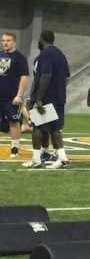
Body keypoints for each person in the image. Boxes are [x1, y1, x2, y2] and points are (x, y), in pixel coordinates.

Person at [22, 31, 70, 169]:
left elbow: (45, 76)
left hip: (46, 98)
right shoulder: (61, 55)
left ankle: (37, 159)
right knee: (55, 128)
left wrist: (39, 99)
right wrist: (59, 91)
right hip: (59, 97)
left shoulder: (45, 55)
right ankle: (63, 159)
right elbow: (66, 77)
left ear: (42, 39)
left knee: (37, 127)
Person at [0, 32, 30, 158]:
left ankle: (14, 148)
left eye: (8, 40)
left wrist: (19, 95)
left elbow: (24, 77)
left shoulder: (20, 58)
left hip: (11, 97)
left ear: (14, 42)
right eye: (3, 40)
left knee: (14, 122)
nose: (5, 43)